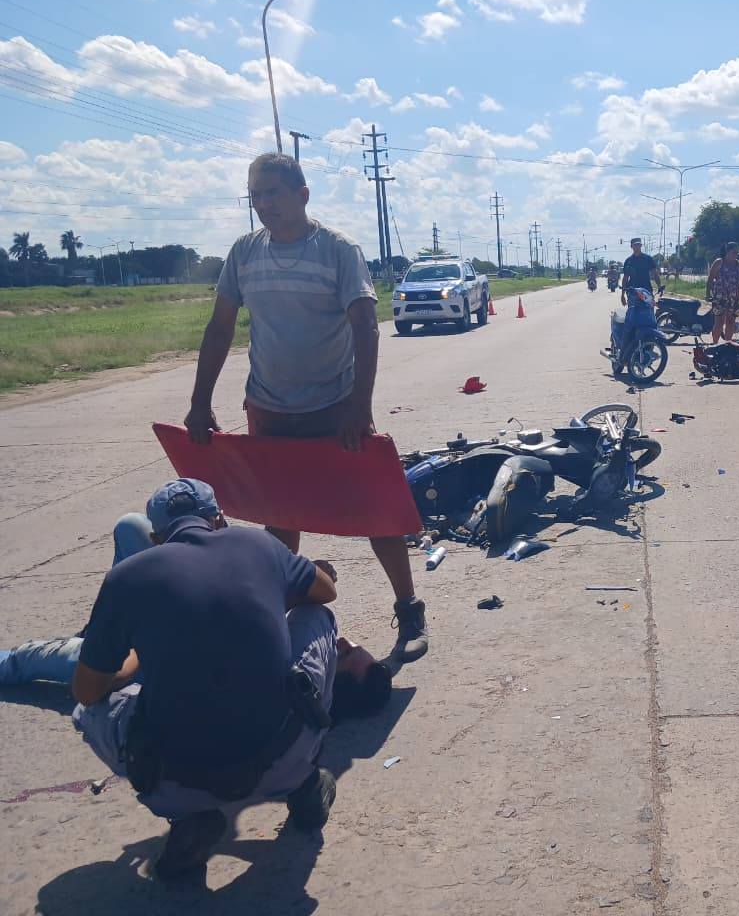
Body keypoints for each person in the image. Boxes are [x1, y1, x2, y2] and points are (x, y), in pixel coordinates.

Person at [184, 153, 427, 663]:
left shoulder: (338, 250)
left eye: (273, 192)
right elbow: (220, 327)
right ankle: (275, 615)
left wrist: (359, 406)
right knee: (279, 516)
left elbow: (365, 327)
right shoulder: (244, 252)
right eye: (256, 194)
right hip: (269, 408)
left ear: (303, 195)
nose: (264, 203)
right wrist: (199, 402)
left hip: (335, 407)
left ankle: (409, 610)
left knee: (375, 510)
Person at [67, 479, 347, 882]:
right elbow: (326, 591)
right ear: (219, 519)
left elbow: (86, 690)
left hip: (178, 778)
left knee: (85, 713)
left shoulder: (125, 578)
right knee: (317, 617)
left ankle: (188, 816)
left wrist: (142, 651)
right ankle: (304, 783)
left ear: (155, 538)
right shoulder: (258, 544)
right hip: (282, 754)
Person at [1, 515, 392, 725]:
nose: (343, 642)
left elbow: (93, 689)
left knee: (34, 658)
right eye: (354, 647)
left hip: (141, 659)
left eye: (344, 655)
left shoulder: (283, 682)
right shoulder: (298, 656)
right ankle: (102, 632)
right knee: (132, 528)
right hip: (163, 625)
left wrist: (133, 646)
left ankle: (92, 642)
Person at [706, 242, 739, 343]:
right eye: (734, 252)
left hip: (734, 298)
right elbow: (710, 279)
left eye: (737, 253)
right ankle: (715, 344)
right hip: (720, 297)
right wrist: (708, 294)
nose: (736, 255)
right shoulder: (719, 262)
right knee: (719, 322)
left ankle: (727, 345)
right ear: (727, 251)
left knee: (731, 322)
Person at [620, 237, 658, 303]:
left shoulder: (648, 259)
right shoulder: (628, 261)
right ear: (631, 246)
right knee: (632, 308)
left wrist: (659, 286)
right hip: (632, 291)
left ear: (641, 245)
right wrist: (622, 295)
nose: (637, 247)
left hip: (647, 289)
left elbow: (655, 274)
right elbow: (625, 278)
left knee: (649, 307)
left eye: (639, 245)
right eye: (635, 245)